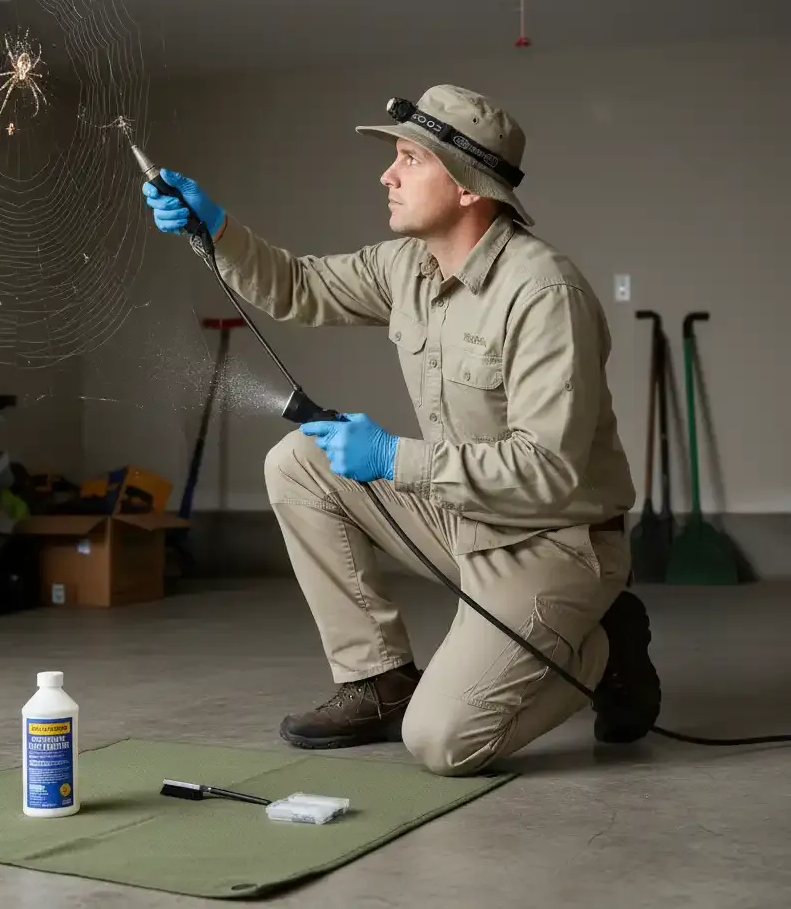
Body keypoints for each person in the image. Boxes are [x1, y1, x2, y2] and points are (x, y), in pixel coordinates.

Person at [142, 84, 661, 777]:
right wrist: (216, 228)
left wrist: (392, 456)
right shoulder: (406, 268)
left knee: (444, 744)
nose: (387, 174)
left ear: (469, 186)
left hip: (552, 544)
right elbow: (297, 285)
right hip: (463, 520)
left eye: (409, 159)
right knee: (300, 461)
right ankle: (379, 681)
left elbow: (549, 471)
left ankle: (601, 649)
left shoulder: (542, 294)